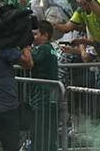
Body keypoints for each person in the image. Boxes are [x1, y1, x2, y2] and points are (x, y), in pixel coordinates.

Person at [31, 20, 60, 151]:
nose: (33, 37)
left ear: (45, 35)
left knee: (39, 136)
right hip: (50, 99)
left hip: (42, 99)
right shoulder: (51, 49)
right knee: (50, 136)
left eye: (36, 34)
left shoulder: (43, 49)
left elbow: (29, 61)